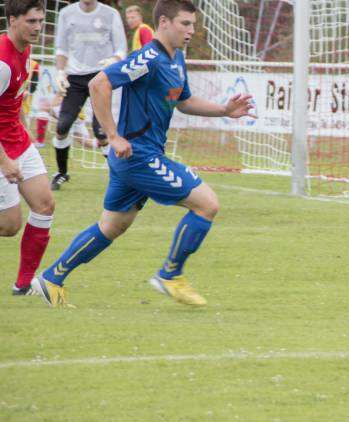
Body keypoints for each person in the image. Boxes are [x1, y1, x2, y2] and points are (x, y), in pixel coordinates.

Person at [32, 0, 256, 308]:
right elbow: (99, 83)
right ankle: (170, 274)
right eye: (185, 23)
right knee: (207, 204)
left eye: (193, 24)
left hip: (134, 159)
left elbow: (184, 101)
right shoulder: (148, 58)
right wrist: (113, 135)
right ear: (164, 22)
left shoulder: (176, 59)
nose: (191, 30)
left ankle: (51, 278)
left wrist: (224, 110)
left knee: (112, 227)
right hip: (140, 157)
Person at [0, 0, 55, 296]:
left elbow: (12, 98)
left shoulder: (25, 48)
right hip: (2, 150)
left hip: (17, 140)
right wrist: (5, 160)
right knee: (9, 226)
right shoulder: (2, 62)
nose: (37, 27)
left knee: (45, 205)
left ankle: (23, 285)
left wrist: (23, 125)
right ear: (12, 20)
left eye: (40, 21)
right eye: (31, 21)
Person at [51, 0, 127, 190]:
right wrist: (60, 72)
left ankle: (119, 177)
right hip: (75, 78)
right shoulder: (66, 13)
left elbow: (121, 49)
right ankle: (61, 173)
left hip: (100, 77)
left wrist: (113, 59)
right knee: (62, 126)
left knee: (101, 132)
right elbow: (61, 49)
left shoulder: (110, 14)